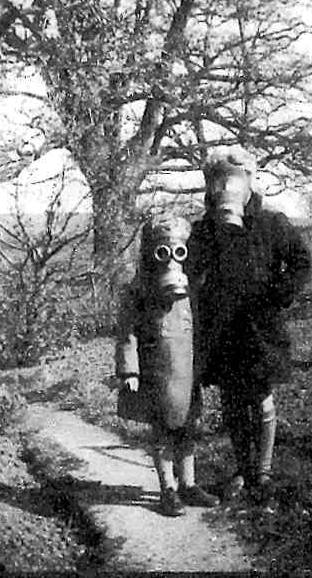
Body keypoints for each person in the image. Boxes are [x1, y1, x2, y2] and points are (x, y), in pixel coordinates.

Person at [187, 149, 311, 503]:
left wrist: (280, 292)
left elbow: (301, 262)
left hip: (260, 326)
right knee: (232, 400)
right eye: (218, 181)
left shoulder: (273, 225)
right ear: (210, 188)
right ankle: (243, 469)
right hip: (222, 329)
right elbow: (188, 273)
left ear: (249, 182)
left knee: (260, 396)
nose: (226, 188)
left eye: (233, 179)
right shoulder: (203, 232)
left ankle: (264, 472)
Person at [115, 215, 219, 516]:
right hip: (156, 369)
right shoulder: (138, 290)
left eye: (178, 251)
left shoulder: (193, 288)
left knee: (188, 428)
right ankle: (168, 490)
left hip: (187, 370)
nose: (171, 261)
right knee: (162, 431)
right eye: (163, 252)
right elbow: (127, 332)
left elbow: (202, 327)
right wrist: (129, 370)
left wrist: (207, 364)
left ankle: (188, 484)